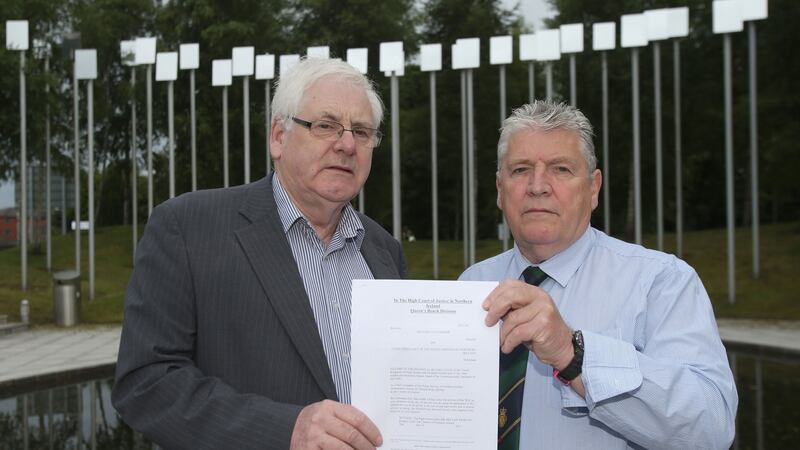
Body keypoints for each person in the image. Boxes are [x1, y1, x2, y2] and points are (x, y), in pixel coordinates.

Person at [112, 57, 406, 450]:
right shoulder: (188, 228)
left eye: (362, 131)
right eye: (326, 125)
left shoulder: (384, 250)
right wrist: (285, 430)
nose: (348, 144)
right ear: (278, 137)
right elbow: (146, 383)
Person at [460, 101, 737, 449]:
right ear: (500, 190)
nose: (538, 186)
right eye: (520, 170)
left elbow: (710, 428)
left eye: (560, 169)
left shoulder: (661, 282)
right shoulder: (472, 284)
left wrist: (572, 354)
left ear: (593, 188)